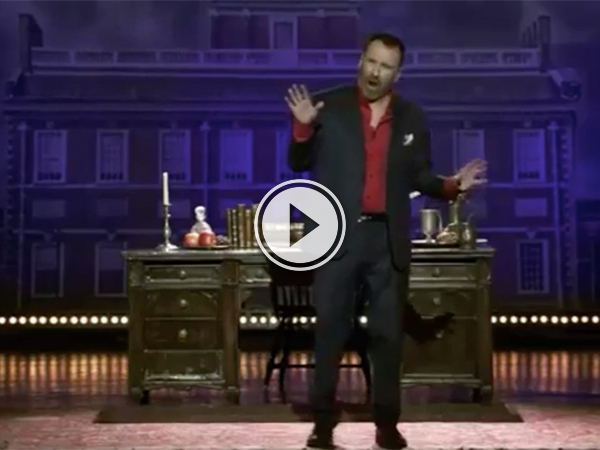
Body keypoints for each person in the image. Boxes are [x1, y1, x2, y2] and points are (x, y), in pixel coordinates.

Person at [285, 32, 487, 450]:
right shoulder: (327, 106)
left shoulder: (412, 117)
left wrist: (452, 186)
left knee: (388, 337)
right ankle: (322, 425)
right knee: (330, 334)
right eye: (371, 62)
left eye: (386, 66)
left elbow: (420, 176)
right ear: (360, 61)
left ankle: (387, 425)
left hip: (386, 240)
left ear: (398, 73)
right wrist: (302, 128)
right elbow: (297, 162)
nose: (375, 72)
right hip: (337, 236)